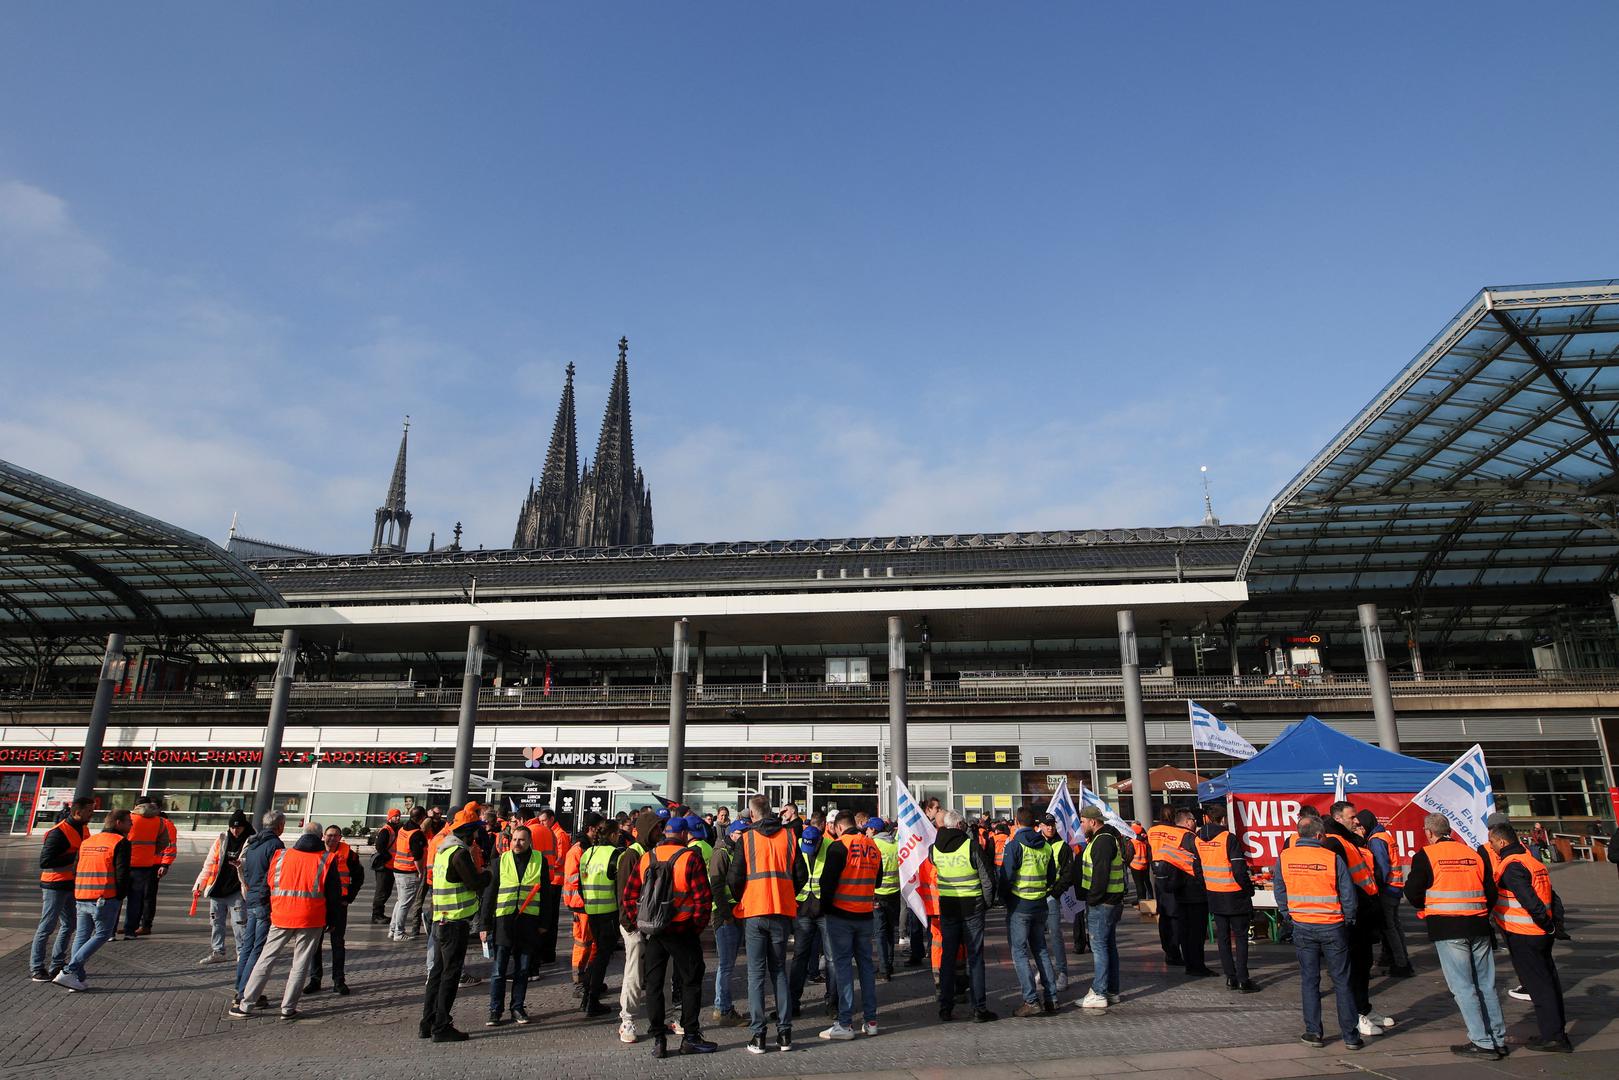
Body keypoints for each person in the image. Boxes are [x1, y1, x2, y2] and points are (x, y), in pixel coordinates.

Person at [1404, 812, 1506, 1059]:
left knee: (1463, 987)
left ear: (1429, 833)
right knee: (1486, 985)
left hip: (1448, 928)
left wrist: (1426, 905)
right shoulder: (1474, 854)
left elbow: (1412, 891)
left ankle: (1481, 1041)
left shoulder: (1426, 855)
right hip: (1478, 925)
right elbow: (1491, 891)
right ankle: (1497, 1038)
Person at [623, 815, 717, 1058]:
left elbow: (630, 895)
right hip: (682, 932)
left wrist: (641, 924)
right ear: (685, 835)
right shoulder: (690, 857)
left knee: (653, 985)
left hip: (654, 932)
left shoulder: (647, 857)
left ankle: (658, 1039)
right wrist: (696, 927)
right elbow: (703, 899)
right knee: (690, 982)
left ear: (665, 833)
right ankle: (691, 1036)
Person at [231, 822, 343, 1020]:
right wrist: (332, 920)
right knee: (300, 963)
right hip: (311, 918)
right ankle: (288, 1008)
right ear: (321, 837)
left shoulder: (281, 855)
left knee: (266, 959)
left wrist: (267, 906)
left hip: (281, 915)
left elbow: (268, 883)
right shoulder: (327, 859)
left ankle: (246, 1004)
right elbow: (333, 895)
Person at [727, 793, 807, 1054]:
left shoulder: (747, 838)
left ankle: (758, 1035)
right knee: (779, 972)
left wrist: (744, 897)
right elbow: (801, 875)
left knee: (756, 975)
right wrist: (786, 893)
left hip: (755, 911)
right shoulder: (789, 837)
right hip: (781, 911)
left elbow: (735, 877)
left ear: (752, 814)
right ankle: (785, 1034)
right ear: (771, 812)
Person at [1274, 815, 1362, 1051]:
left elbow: (1279, 889)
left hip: (1302, 925)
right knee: (1342, 981)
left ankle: (1314, 1032)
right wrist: (1349, 919)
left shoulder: (1285, 857)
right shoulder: (1331, 858)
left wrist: (1287, 914)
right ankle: (1350, 1036)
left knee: (1310, 981)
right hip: (1333, 925)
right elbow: (1348, 894)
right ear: (1319, 835)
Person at [1487, 822, 1569, 1052]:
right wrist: (1553, 925)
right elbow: (1553, 895)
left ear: (1502, 842)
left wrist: (1545, 922)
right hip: (1539, 932)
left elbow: (1529, 900)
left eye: (1492, 842)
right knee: (1549, 982)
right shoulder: (1530, 861)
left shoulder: (1512, 866)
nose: (1491, 846)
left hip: (1525, 933)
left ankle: (1554, 1037)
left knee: (1539, 986)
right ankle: (1554, 1031)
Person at [418, 813, 491, 1042]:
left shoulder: (443, 851)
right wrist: (489, 875)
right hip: (455, 923)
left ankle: (427, 1023)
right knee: (450, 974)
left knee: (437, 974)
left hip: (441, 920)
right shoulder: (459, 854)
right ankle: (441, 1026)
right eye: (476, 832)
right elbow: (474, 882)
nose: (478, 836)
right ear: (469, 833)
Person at [1321, 801, 1390, 1038]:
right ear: (1338, 819)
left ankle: (1364, 1008)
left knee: (1363, 966)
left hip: (1364, 912)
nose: (1357, 820)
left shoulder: (1348, 840)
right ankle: (1356, 1015)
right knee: (1354, 968)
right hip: (1352, 914)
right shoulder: (1333, 842)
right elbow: (1341, 881)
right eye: (1352, 817)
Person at [818, 810, 882, 1040]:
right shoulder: (873, 846)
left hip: (841, 916)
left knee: (843, 968)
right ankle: (871, 1020)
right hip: (865, 915)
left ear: (838, 827)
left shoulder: (838, 846)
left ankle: (845, 1023)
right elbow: (879, 879)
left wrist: (824, 909)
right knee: (866, 967)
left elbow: (827, 884)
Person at [53, 808, 132, 992]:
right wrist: (120, 896)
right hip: (104, 896)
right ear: (118, 823)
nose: (131, 824)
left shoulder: (88, 841)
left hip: (82, 894)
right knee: (102, 934)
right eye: (129, 821)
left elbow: (75, 868)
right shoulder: (121, 842)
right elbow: (122, 873)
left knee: (82, 935)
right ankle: (69, 971)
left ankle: (76, 979)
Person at [930, 809, 998, 1022]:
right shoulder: (970, 845)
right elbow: (987, 879)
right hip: (972, 909)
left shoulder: (933, 849)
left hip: (949, 909)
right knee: (975, 959)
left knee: (948, 959)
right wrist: (986, 904)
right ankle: (979, 1009)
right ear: (960, 825)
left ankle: (945, 1007)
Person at [485, 824, 548, 1026]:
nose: (517, 843)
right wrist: (484, 925)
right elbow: (490, 894)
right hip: (503, 920)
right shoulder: (499, 861)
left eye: (521, 839)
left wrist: (545, 922)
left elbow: (546, 894)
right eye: (514, 839)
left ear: (529, 841)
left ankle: (517, 1008)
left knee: (522, 969)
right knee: (498, 970)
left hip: (529, 921)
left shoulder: (540, 860)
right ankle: (495, 1010)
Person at [1000, 805, 1057, 1016]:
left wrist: (1003, 899)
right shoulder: (1046, 847)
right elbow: (1051, 877)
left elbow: (1006, 877)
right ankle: (1051, 997)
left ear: (1016, 822)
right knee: (1041, 949)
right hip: (1040, 904)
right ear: (1035, 824)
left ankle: (1031, 1000)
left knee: (1020, 953)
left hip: (1020, 905)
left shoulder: (1015, 845)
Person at [32, 795, 93, 982]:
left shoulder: (83, 829)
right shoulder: (58, 832)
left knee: (69, 925)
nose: (92, 814)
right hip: (54, 884)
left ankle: (57, 964)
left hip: (71, 883)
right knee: (47, 927)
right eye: (89, 811)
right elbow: (45, 861)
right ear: (78, 812)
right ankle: (36, 968)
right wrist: (75, 858)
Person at [1196, 804, 1256, 993]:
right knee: (1240, 937)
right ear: (1223, 819)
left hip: (1214, 893)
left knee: (1222, 938)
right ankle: (1243, 979)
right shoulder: (1227, 838)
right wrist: (1248, 889)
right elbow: (1239, 870)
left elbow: (1196, 868)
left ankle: (1230, 977)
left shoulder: (1198, 839)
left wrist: (1206, 885)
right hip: (1234, 894)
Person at [1075, 805, 1127, 1009]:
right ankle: (1111, 990)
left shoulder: (1102, 841)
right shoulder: (1104, 839)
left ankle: (1099, 991)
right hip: (1110, 901)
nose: (1081, 825)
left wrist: (1092, 899)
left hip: (1103, 903)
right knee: (1108, 946)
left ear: (1093, 822)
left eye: (1083, 821)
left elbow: (1100, 875)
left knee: (1099, 947)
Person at [234, 810, 287, 1008]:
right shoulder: (275, 845)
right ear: (280, 826)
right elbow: (274, 874)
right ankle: (246, 992)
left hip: (252, 897)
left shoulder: (253, 842)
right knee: (258, 947)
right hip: (264, 900)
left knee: (248, 946)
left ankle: (239, 987)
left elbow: (246, 870)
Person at [305, 823, 363, 995]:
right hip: (318, 904)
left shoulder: (350, 855)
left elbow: (358, 877)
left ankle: (339, 981)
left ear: (340, 838)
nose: (332, 838)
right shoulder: (315, 852)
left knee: (337, 943)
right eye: (329, 835)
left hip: (338, 905)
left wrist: (348, 898)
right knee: (315, 944)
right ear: (323, 836)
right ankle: (315, 979)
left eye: (335, 835)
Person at [617, 811, 659, 1043]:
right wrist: (630, 925)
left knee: (657, 971)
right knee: (633, 972)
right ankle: (628, 1020)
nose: (659, 832)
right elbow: (624, 893)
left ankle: (661, 1017)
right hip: (635, 924)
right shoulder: (632, 855)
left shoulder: (650, 852)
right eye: (656, 828)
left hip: (650, 922)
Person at [192, 809, 251, 966]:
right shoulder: (222, 839)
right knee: (216, 922)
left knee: (240, 923)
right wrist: (199, 884)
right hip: (217, 888)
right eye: (232, 827)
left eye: (238, 827)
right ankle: (218, 951)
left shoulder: (251, 840)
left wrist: (242, 864)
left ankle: (242, 952)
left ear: (244, 826)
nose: (235, 830)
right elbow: (209, 863)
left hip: (237, 889)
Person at [576, 813, 620, 1016]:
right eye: (617, 833)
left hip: (591, 910)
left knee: (599, 953)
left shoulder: (588, 853)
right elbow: (619, 887)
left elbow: (580, 884)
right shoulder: (615, 854)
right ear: (611, 835)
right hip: (609, 912)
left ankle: (587, 992)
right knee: (602, 955)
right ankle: (591, 998)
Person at [708, 817, 750, 1027]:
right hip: (725, 915)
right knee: (725, 965)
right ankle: (722, 1008)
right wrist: (726, 915)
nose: (745, 838)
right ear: (732, 834)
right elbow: (716, 887)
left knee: (729, 963)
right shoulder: (721, 854)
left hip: (734, 914)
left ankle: (723, 1007)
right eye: (741, 834)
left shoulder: (733, 852)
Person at [1365, 811, 1414, 977]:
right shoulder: (1385, 835)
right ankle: (1401, 959)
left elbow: (1381, 867)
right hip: (1395, 887)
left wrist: (1376, 888)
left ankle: (1401, 963)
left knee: (1389, 928)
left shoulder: (1376, 840)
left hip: (1387, 888)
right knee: (1395, 926)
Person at [787, 823, 829, 1015]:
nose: (810, 851)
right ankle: (792, 1003)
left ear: (820, 839)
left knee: (831, 958)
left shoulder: (830, 846)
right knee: (799, 956)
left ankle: (833, 1002)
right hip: (803, 906)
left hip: (823, 908)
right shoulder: (797, 845)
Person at [1036, 813, 1073, 993]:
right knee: (1037, 936)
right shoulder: (1035, 843)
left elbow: (1068, 874)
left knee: (1055, 934)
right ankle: (1044, 968)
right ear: (1040, 826)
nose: (1050, 828)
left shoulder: (1062, 846)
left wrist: (1055, 892)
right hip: (1035, 895)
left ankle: (1062, 972)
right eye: (1047, 824)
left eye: (1052, 824)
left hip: (1051, 896)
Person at [122, 796, 169, 939]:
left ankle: (110, 931)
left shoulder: (129, 819)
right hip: (146, 864)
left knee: (117, 898)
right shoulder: (160, 821)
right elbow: (164, 842)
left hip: (125, 863)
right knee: (137, 899)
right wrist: (152, 852)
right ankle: (130, 930)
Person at [867, 817, 901, 981]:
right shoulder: (895, 844)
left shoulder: (873, 845)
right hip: (894, 892)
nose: (866, 831)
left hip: (878, 894)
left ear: (873, 830)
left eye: (868, 829)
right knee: (889, 931)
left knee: (880, 932)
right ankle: (889, 964)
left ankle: (884, 969)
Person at [388, 807, 428, 940]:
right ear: (422, 818)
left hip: (398, 868)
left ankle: (393, 929)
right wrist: (421, 871)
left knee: (400, 901)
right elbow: (417, 856)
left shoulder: (403, 828)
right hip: (408, 871)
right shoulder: (416, 833)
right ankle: (399, 932)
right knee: (405, 903)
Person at [370, 808, 401, 923]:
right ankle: (376, 915)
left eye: (398, 816)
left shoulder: (394, 829)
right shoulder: (386, 830)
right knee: (381, 891)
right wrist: (387, 857)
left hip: (390, 865)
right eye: (395, 816)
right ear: (390, 817)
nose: (397, 818)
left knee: (385, 891)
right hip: (384, 866)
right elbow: (380, 846)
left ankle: (379, 914)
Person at [1128, 823, 1152, 902]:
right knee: (1146, 883)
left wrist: (1128, 863)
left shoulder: (1132, 841)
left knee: (1139, 884)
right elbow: (1149, 854)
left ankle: (1141, 901)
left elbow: (1130, 855)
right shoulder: (1145, 842)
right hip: (1144, 865)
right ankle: (1149, 899)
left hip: (1135, 866)